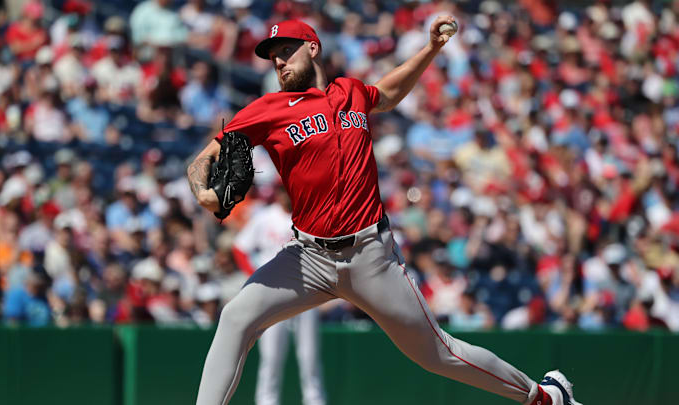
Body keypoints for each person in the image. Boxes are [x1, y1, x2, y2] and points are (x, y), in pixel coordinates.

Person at [187, 18, 582, 405]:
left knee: (437, 353)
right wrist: (204, 192)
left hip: (370, 256)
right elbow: (203, 159)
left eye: (286, 50)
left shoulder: (351, 92)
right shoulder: (269, 109)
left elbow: (388, 93)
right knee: (236, 317)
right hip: (307, 257)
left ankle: (543, 396)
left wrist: (430, 49)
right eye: (272, 57)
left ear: (313, 48)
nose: (278, 62)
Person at [233, 187, 326, 405]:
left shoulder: (309, 216)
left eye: (289, 189)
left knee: (310, 358)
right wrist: (257, 276)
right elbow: (240, 248)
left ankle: (315, 401)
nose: (286, 194)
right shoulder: (265, 217)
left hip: (307, 293)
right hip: (274, 296)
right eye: (282, 189)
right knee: (271, 358)